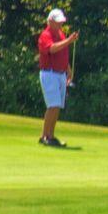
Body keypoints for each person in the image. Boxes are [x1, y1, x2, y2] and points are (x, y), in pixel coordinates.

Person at [37, 8, 78, 147]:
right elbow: (52, 49)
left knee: (57, 106)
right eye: (58, 22)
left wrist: (68, 69)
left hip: (60, 74)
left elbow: (62, 54)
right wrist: (69, 41)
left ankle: (51, 135)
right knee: (53, 105)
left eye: (61, 22)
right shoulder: (45, 35)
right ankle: (45, 136)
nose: (60, 24)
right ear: (50, 21)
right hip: (49, 73)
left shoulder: (60, 34)